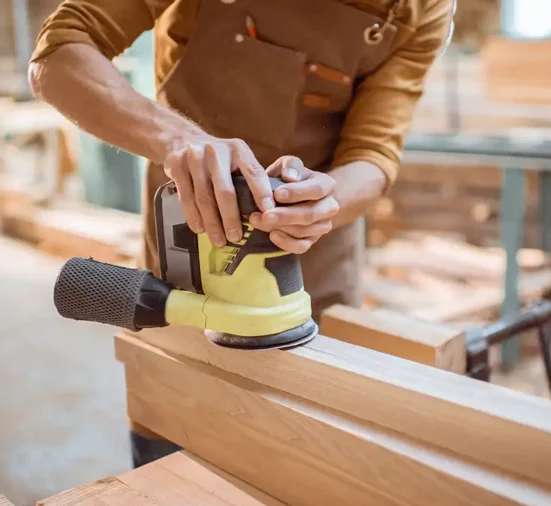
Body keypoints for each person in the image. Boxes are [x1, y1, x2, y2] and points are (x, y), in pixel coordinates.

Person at [29, 0, 455, 467]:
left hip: (314, 254)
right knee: (175, 450)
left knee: (316, 459)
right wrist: (179, 141)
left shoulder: (425, 7)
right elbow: (59, 52)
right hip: (189, 248)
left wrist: (323, 201)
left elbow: (373, 155)